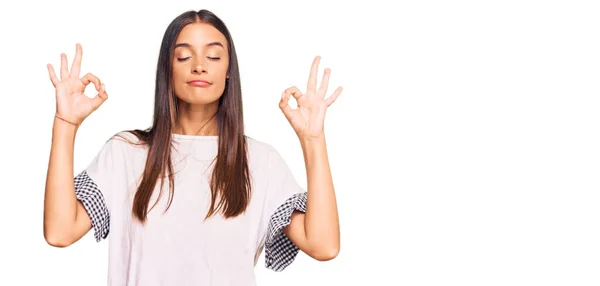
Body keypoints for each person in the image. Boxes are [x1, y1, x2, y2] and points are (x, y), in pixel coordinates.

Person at [42, 9, 342, 285]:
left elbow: (323, 245)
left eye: (213, 57)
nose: (199, 66)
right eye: (184, 57)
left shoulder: (260, 161)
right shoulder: (125, 152)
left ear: (228, 71)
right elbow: (60, 231)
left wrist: (313, 139)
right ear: (167, 70)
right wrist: (65, 124)